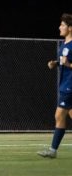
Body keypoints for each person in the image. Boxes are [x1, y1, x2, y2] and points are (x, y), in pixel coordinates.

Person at [37, 13, 72, 158]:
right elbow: (64, 61)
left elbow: (68, 63)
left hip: (70, 86)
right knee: (62, 115)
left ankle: (52, 150)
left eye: (63, 25)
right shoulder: (64, 44)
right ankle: (53, 150)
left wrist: (68, 64)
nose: (60, 27)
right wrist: (55, 63)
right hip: (65, 85)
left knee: (59, 115)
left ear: (70, 28)